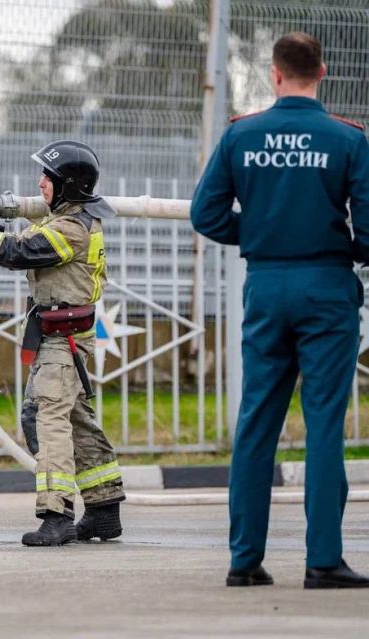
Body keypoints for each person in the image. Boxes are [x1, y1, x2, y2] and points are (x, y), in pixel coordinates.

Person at [191, 32, 369, 589]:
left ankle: (244, 561)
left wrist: (262, 235)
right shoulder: (347, 138)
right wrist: (332, 244)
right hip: (326, 287)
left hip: (265, 286)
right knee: (323, 427)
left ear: (273, 74)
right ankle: (323, 561)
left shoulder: (241, 134)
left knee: (255, 424)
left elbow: (206, 213)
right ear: (323, 71)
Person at [0, 140, 125, 546]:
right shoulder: (75, 216)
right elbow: (29, 225)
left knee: (44, 416)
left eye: (47, 178)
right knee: (74, 418)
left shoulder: (70, 229)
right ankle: (104, 510)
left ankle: (57, 514)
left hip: (63, 340)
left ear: (67, 185)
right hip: (67, 336)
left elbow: (17, 251)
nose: (41, 184)